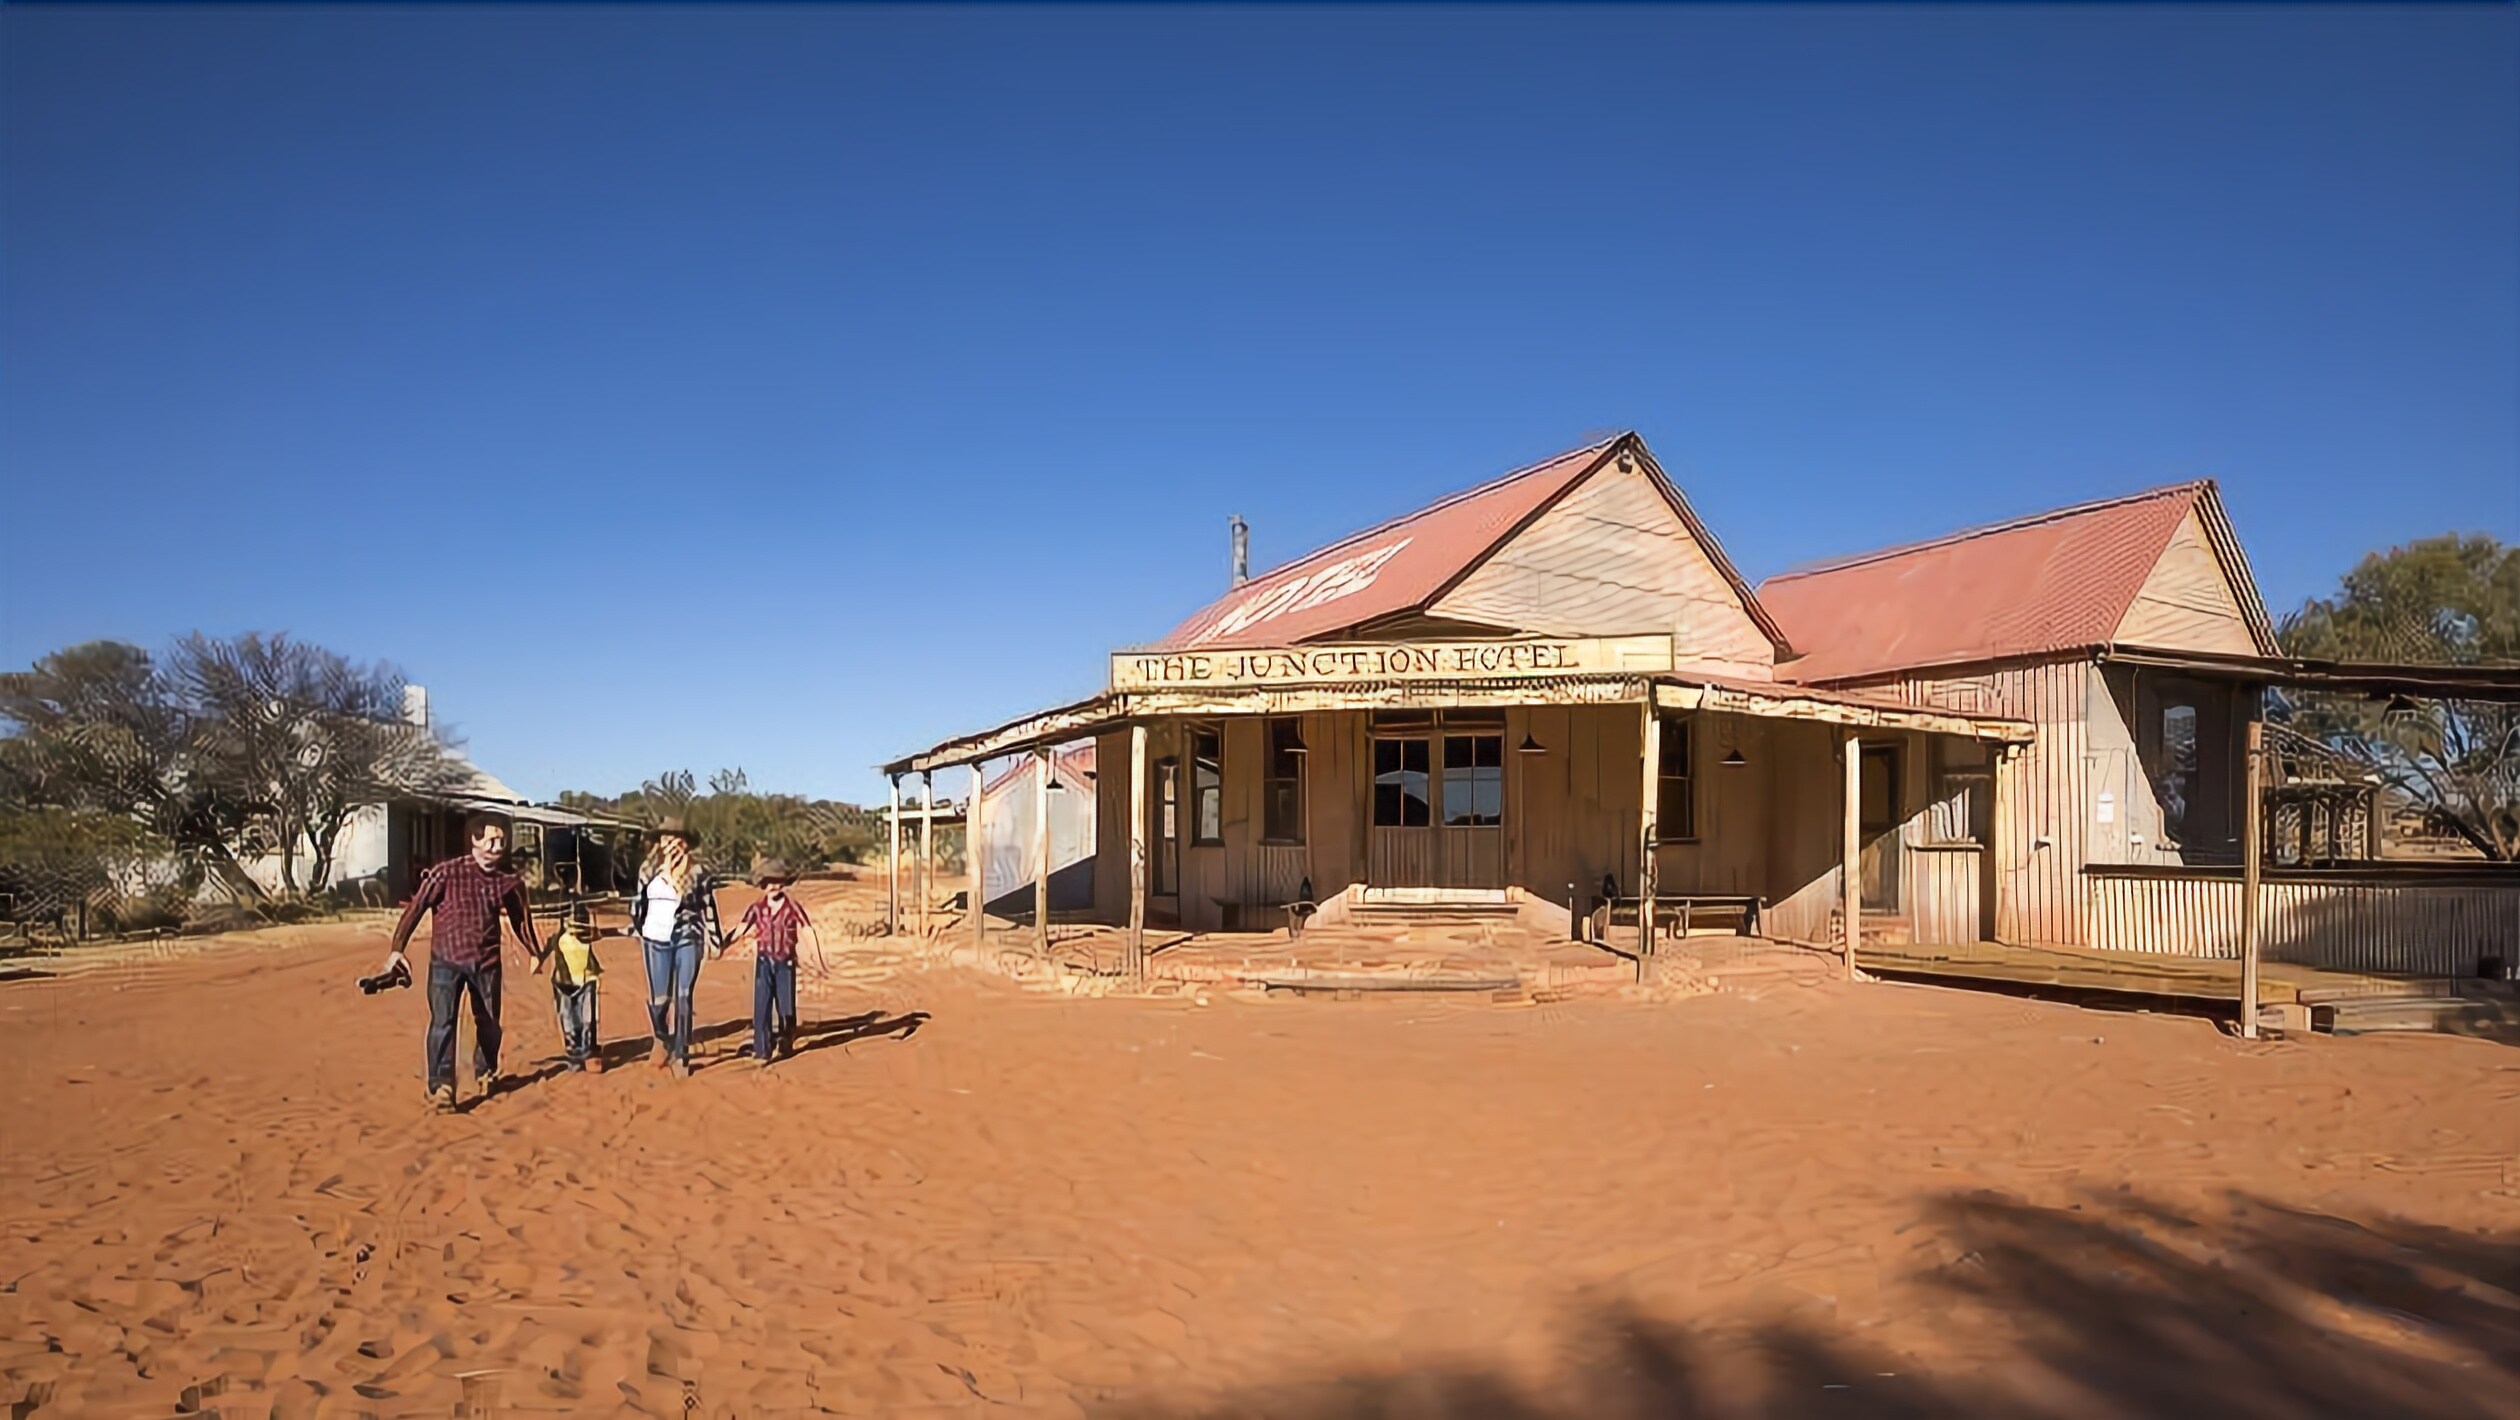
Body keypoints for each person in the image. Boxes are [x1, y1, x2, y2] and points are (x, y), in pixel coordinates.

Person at [381, 811, 545, 1111]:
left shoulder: (507, 882)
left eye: (502, 839)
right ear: (475, 839)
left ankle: (486, 1070)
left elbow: (522, 920)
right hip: (446, 961)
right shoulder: (446, 873)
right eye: (492, 839)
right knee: (443, 1023)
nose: (498, 845)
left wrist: (535, 952)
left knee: (490, 1023)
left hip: (487, 964)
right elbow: (415, 909)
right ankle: (441, 1085)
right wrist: (397, 949)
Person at [631, 819, 723, 1077]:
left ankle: (681, 1054)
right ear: (659, 842)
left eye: (677, 838)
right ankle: (662, 1037)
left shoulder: (698, 873)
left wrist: (715, 940)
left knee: (683, 995)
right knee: (660, 1000)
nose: (671, 843)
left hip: (688, 936)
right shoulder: (648, 871)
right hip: (656, 939)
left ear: (685, 843)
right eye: (666, 838)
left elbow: (708, 906)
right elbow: (638, 904)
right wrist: (637, 929)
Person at [724, 859, 828, 1066]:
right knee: (761, 1006)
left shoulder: (792, 907)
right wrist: (722, 944)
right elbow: (741, 929)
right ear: (762, 884)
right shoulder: (757, 908)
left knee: (786, 1006)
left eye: (777, 881)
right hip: (764, 961)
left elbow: (808, 930)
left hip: (785, 962)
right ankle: (762, 1050)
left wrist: (818, 960)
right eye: (768, 882)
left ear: (784, 883)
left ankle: (786, 1039)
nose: (773, 886)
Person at [537, 903, 604, 1073]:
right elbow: (543, 951)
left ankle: (589, 1052)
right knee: (568, 1018)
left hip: (586, 979)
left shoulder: (588, 935)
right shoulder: (558, 938)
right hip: (563, 983)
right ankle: (574, 1054)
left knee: (587, 1017)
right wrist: (536, 961)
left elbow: (602, 933)